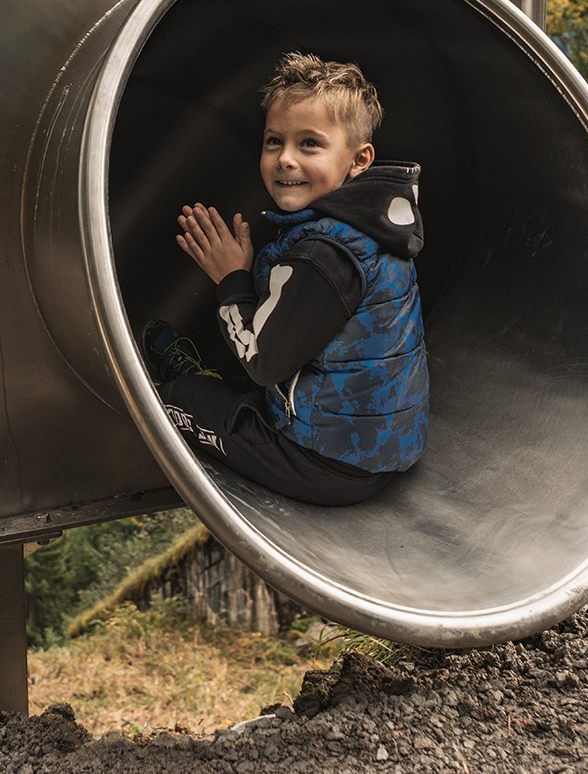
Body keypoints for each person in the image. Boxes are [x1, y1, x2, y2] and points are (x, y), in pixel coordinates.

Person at [141, 51, 428, 506]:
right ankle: (213, 387)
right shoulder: (369, 227)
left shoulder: (324, 255)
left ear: (359, 159)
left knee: (161, 402)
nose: (285, 159)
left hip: (324, 466)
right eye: (274, 141)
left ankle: (190, 385)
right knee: (235, 391)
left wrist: (230, 276)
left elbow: (265, 364)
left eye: (309, 144)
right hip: (376, 449)